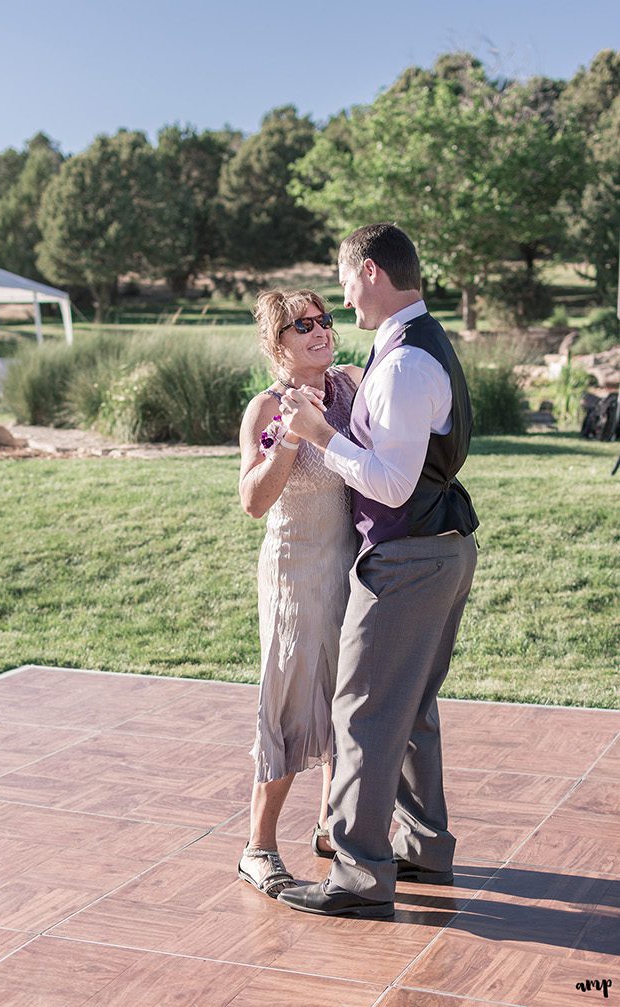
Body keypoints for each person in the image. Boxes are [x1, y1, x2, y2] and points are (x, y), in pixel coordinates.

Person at [277, 223, 478, 919]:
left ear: (367, 272)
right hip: (441, 549)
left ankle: (361, 877)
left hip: (409, 556)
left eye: (342, 283)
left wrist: (317, 435)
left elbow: (391, 484)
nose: (341, 301)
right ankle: (423, 844)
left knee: (361, 710)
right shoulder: (417, 345)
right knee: (413, 708)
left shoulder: (402, 364)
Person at [235, 290, 362, 898]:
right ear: (276, 342)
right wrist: (289, 436)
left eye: (325, 319)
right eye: (302, 324)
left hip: (352, 566)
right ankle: (257, 846)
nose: (320, 330)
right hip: (293, 570)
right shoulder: (264, 409)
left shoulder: (354, 386)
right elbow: (254, 503)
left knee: (346, 694)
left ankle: (331, 826)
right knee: (288, 699)